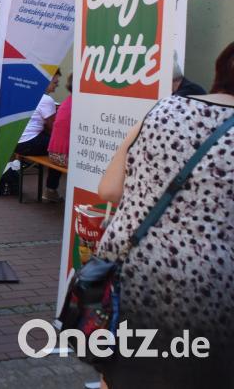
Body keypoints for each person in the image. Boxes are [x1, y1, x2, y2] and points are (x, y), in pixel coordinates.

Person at [94, 42, 234, 388]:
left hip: (132, 269)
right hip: (206, 289)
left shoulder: (162, 110)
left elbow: (109, 190)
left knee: (123, 370)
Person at [14, 70, 61, 202]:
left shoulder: (26, 92)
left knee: (54, 144)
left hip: (17, 142)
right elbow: (53, 129)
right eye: (55, 82)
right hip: (29, 143)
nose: (57, 85)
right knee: (60, 148)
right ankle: (51, 190)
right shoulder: (47, 100)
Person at [47, 74, 73, 168]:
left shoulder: (67, 101)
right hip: (64, 157)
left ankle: (51, 183)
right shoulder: (78, 105)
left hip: (53, 153)